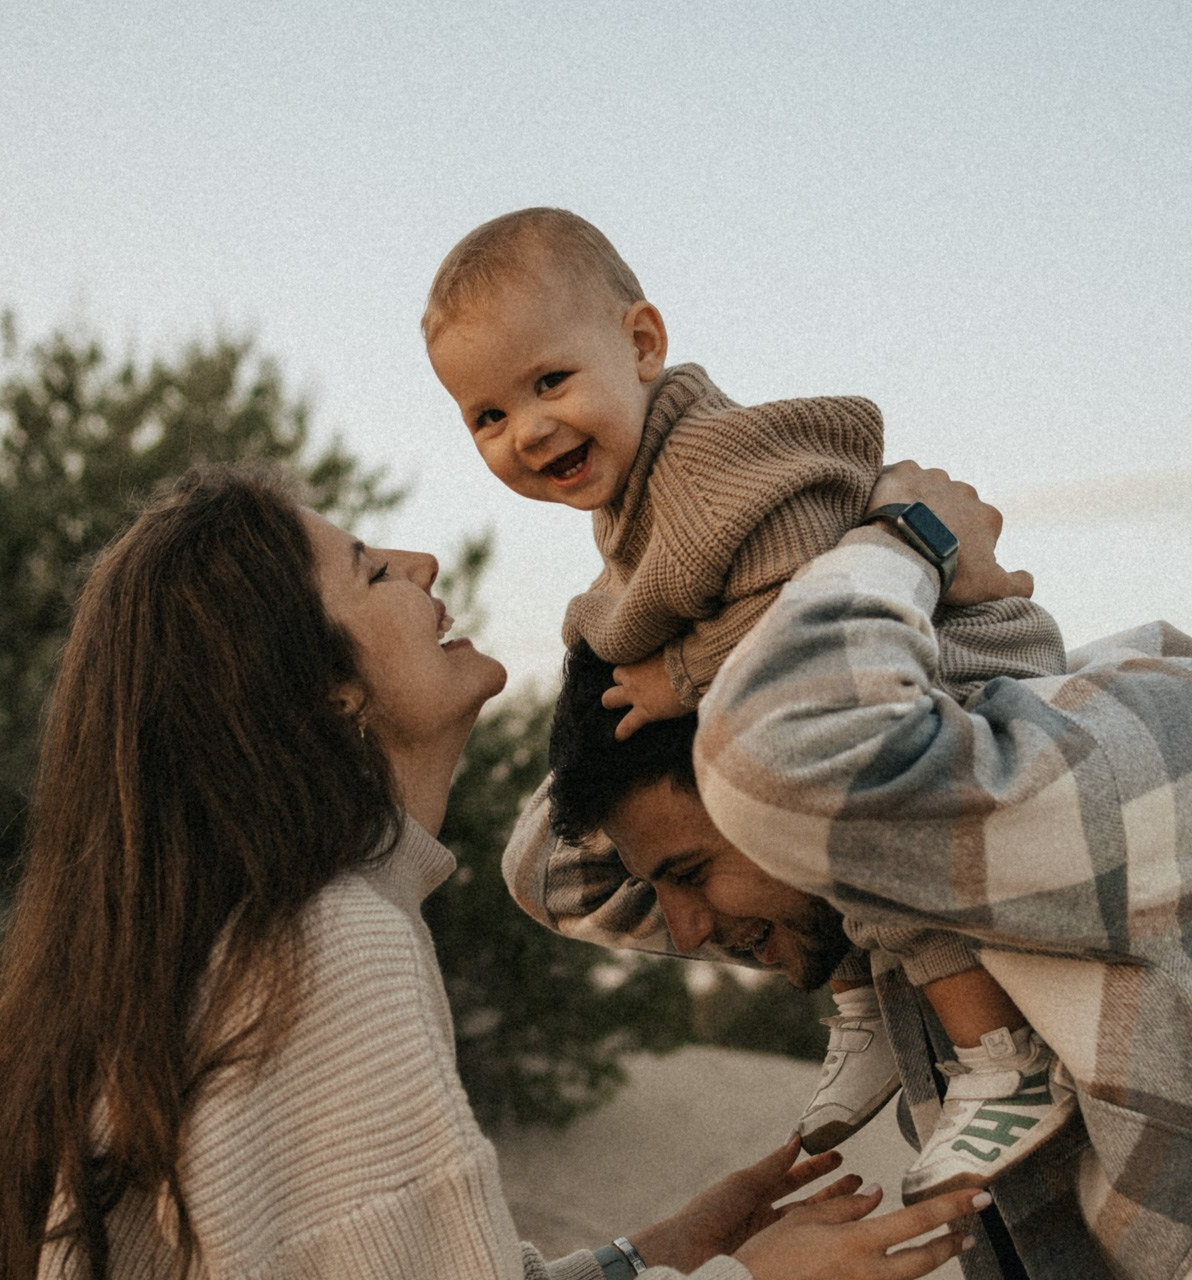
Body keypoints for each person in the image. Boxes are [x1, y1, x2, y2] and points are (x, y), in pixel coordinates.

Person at [0, 465, 988, 1280]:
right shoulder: (320, 948)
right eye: (363, 569)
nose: (417, 560)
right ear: (323, 694)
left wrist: (659, 1260)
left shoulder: (245, 942)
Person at [502, 469, 1192, 1280]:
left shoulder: (1091, 769)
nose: (686, 933)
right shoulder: (889, 893)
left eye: (695, 876)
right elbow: (555, 867)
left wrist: (909, 538)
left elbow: (775, 752)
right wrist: (672, 628)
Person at [423, 204, 1078, 1201]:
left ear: (643, 344)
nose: (531, 429)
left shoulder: (713, 463)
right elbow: (554, 857)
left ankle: (1002, 1058)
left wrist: (679, 679)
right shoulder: (628, 502)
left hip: (958, 677)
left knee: (818, 784)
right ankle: (864, 996)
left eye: (550, 381)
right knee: (788, 800)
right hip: (865, 696)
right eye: (489, 416)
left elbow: (809, 613)